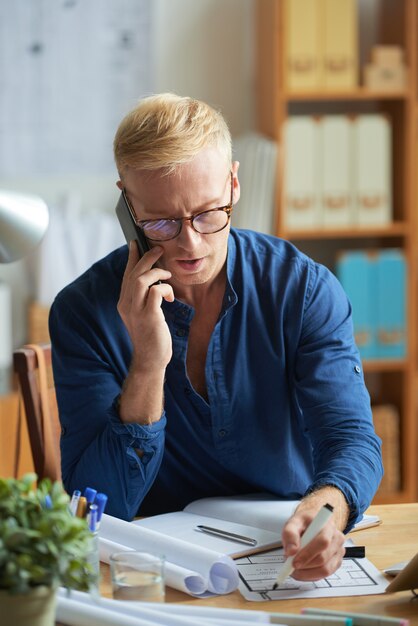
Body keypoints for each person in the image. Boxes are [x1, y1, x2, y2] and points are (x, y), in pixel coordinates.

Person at [49, 93, 383, 583]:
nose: (190, 244)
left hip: (286, 552)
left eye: (209, 213)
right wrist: (146, 363)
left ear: (233, 182)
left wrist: (329, 508)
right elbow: (98, 506)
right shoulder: (83, 312)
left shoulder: (304, 290)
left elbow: (351, 437)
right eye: (160, 222)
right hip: (151, 571)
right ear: (127, 203)